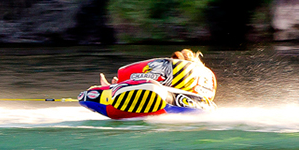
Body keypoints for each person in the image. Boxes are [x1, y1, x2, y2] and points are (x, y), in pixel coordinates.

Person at [79, 49, 218, 119]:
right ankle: (117, 92)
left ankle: (115, 92)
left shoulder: (190, 70)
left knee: (92, 95)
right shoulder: (210, 77)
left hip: (173, 99)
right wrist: (115, 86)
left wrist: (113, 85)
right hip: (171, 100)